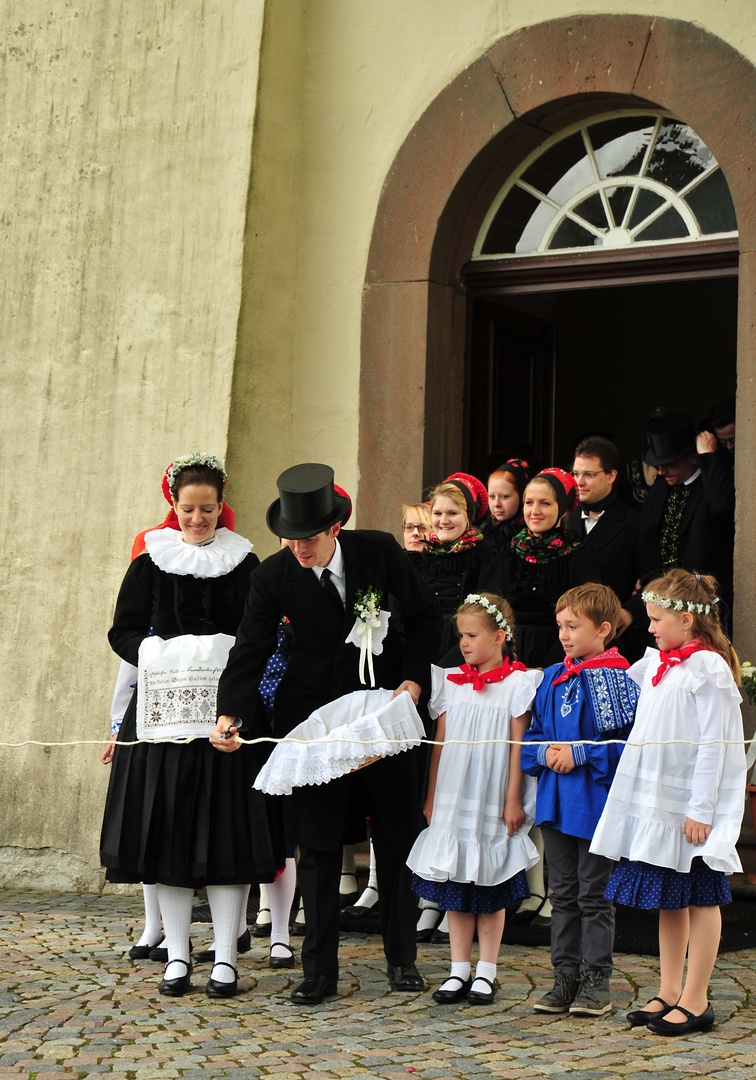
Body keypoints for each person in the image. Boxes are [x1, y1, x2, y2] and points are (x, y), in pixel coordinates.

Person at [213, 463, 442, 1005]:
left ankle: (402, 957)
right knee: (314, 845)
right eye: (289, 539)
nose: (298, 548)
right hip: (314, 723)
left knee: (395, 835)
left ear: (335, 527)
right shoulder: (272, 577)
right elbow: (250, 649)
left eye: (308, 538)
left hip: (384, 719)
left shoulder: (380, 553)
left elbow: (427, 617)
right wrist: (231, 714)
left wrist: (413, 680)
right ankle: (318, 971)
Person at [100, 452, 282, 998]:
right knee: (168, 833)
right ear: (173, 507)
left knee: (226, 832)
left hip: (228, 715)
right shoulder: (150, 561)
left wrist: (223, 658)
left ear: (221, 507)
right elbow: (122, 632)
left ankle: (225, 957)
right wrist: (160, 652)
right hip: (162, 714)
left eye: (207, 509)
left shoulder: (246, 563)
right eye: (188, 510)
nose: (197, 519)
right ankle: (177, 956)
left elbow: (262, 634)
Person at [591, 569, 746, 1035]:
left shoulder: (708, 668)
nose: (651, 627)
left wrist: (702, 808)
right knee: (669, 899)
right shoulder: (660, 665)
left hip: (689, 809)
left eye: (657, 619)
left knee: (699, 896)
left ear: (686, 619)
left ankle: (697, 999)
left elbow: (717, 744)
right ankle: (669, 989)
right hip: (657, 803)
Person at [407, 593, 542, 1006]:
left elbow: (518, 747)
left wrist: (513, 798)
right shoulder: (450, 682)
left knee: (489, 882)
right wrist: (431, 797)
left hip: (492, 793)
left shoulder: (518, 685)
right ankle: (458, 969)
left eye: (472, 635)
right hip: (453, 793)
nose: (464, 643)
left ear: (500, 636)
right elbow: (439, 744)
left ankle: (487, 969)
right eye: (460, 634)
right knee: (455, 883)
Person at [521, 584, 638, 1016]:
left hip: (595, 804)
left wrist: (581, 752)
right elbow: (529, 739)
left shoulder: (618, 681)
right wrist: (544, 752)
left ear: (603, 629)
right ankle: (564, 978)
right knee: (563, 893)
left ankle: (596, 982)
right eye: (560, 626)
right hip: (555, 802)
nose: (564, 635)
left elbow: (629, 746)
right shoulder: (551, 677)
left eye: (574, 626)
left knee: (594, 895)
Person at [633, 412, 736, 615]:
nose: (661, 471)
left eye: (669, 463)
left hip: (703, 603)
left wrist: (707, 457)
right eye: (658, 464)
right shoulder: (659, 489)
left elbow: (723, 507)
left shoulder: (711, 486)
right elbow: (645, 541)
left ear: (692, 458)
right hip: (662, 599)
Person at [507, 467, 601, 669]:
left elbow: (582, 617)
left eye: (545, 503)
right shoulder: (509, 552)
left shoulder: (578, 555)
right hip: (509, 655)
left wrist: (548, 667)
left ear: (564, 508)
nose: (534, 511)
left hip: (559, 654)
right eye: (529, 503)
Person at [418, 472, 508, 659]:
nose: (443, 521)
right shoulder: (422, 559)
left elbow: (488, 621)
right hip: (423, 648)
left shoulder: (487, 558)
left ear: (469, 517)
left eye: (453, 513)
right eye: (437, 513)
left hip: (464, 653)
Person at [483, 458, 534, 552]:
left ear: (522, 496)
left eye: (504, 496)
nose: (496, 504)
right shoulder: (484, 532)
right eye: (492, 496)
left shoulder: (532, 536)